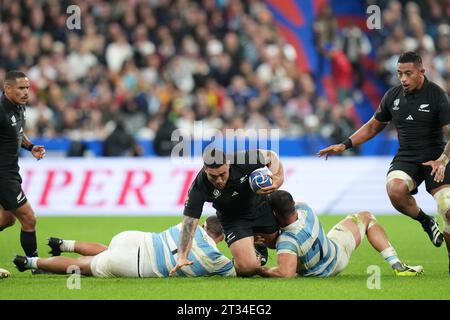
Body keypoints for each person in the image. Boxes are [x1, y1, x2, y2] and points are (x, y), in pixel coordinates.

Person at [317, 51, 450, 272]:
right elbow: (372, 126)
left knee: (447, 205)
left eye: (408, 73)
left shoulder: (437, 96)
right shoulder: (393, 96)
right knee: (395, 190)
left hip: (436, 157)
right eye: (399, 74)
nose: (403, 79)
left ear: (421, 72)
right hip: (407, 157)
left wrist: (443, 160)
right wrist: (345, 144)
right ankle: (426, 222)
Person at [170, 148, 284, 277]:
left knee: (275, 243)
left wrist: (277, 178)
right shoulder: (199, 186)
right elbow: (189, 222)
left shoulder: (243, 160)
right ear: (205, 169)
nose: (218, 180)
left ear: (228, 164)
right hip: (233, 220)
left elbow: (271, 156)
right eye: (213, 176)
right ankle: (241, 258)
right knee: (248, 268)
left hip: (259, 207)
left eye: (222, 174)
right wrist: (182, 256)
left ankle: (256, 245)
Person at [258, 190, 423, 278]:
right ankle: (397, 265)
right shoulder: (304, 208)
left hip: (321, 273)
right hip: (336, 252)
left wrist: (260, 270)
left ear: (274, 214)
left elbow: (286, 273)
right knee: (366, 217)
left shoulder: (287, 241)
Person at [13, 216, 235, 278]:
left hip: (134, 238)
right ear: (222, 238)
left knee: (109, 249)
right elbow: (244, 268)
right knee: (83, 266)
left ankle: (64, 243)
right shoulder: (215, 259)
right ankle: (31, 262)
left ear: (204, 224)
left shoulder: (189, 224)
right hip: (135, 264)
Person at [0, 71, 46, 274]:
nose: (26, 92)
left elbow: (17, 132)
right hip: (2, 175)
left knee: (6, 219)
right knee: (29, 218)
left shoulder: (18, 108)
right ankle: (34, 265)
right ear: (7, 88)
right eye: (21, 88)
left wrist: (30, 146)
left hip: (11, 172)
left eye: (27, 88)